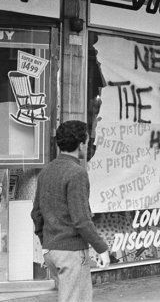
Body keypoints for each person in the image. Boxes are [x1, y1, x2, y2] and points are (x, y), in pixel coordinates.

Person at [31, 120, 110, 302]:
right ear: (81, 144)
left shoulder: (46, 171)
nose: (88, 146)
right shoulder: (77, 173)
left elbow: (36, 213)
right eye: (88, 142)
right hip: (71, 252)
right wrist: (102, 248)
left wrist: (46, 242)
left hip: (51, 251)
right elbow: (81, 220)